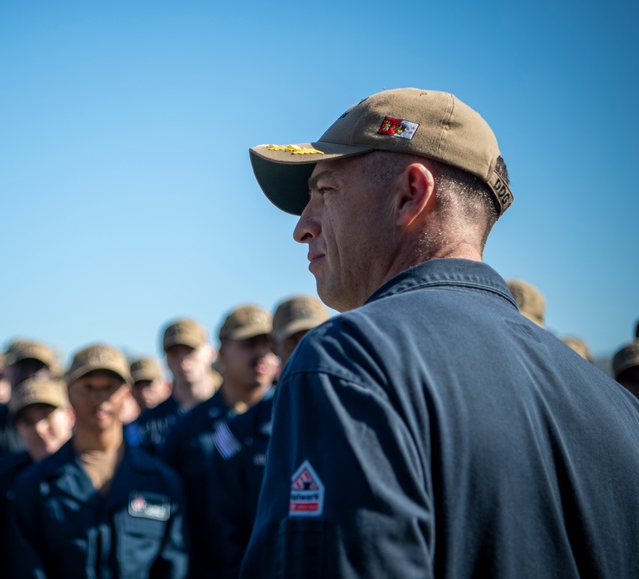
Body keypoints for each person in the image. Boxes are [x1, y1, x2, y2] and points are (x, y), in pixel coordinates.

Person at [243, 87, 639, 577]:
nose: (302, 227)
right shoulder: (618, 407)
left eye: (325, 191)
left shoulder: (351, 359)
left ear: (410, 194)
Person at [7, 344, 187, 578]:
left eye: (109, 387)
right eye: (88, 387)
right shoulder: (36, 485)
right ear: (69, 392)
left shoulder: (161, 482)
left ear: (126, 393)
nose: (99, 398)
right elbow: (27, 568)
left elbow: (175, 567)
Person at [210, 295, 328, 578]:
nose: (306, 348)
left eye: (315, 337)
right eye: (293, 340)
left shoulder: (358, 416)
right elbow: (225, 533)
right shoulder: (236, 432)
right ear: (275, 348)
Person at [161, 305, 279, 579]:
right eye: (250, 344)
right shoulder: (187, 431)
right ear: (222, 351)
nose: (262, 353)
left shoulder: (292, 418)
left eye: (268, 343)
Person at [0, 378, 74, 579]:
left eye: (46, 415)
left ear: (69, 416)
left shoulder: (95, 474)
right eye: (27, 421)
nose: (39, 429)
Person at [125, 318, 218, 454]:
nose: (183, 360)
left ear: (211, 353)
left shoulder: (233, 413)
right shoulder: (148, 424)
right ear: (165, 360)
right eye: (174, 353)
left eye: (190, 351)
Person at [0, 339, 62, 471]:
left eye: (38, 368)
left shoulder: (67, 417)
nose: (30, 375)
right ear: (6, 371)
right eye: (23, 368)